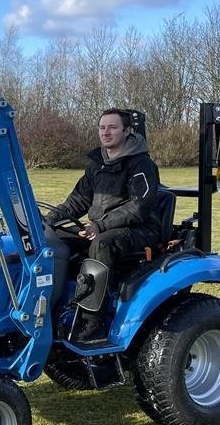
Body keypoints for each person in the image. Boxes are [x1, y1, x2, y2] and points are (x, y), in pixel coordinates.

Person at [44, 107, 161, 341]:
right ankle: (54, 305)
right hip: (103, 226)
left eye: (112, 127)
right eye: (102, 127)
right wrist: (48, 220)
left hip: (141, 229)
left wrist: (100, 226)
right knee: (54, 237)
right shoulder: (96, 165)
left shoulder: (142, 165)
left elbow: (138, 207)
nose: (105, 132)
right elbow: (77, 201)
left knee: (101, 244)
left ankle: (93, 320)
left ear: (127, 131)